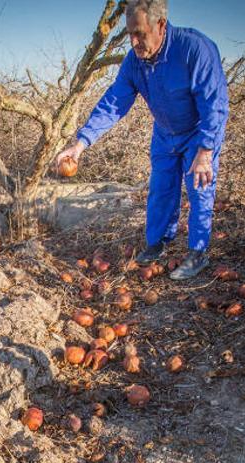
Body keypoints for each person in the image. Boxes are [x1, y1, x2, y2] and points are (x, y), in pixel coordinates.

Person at [57, 0, 229, 279]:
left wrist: (206, 151)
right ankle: (157, 242)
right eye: (130, 35)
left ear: (160, 25)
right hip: (164, 133)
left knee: (199, 189)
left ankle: (198, 253)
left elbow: (215, 103)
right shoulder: (134, 62)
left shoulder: (194, 49)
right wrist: (80, 144)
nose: (134, 41)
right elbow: (114, 102)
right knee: (161, 189)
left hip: (199, 133)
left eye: (140, 33)